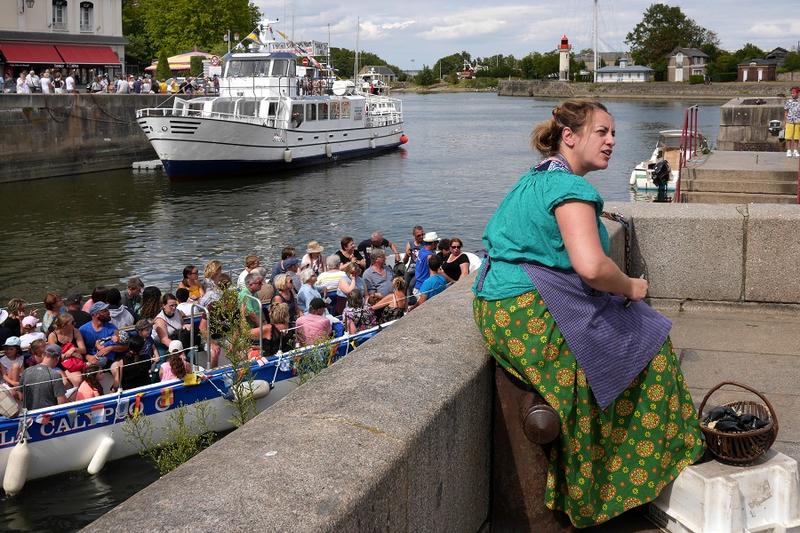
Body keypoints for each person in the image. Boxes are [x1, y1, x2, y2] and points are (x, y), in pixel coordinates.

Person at [472, 99, 704, 527]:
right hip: (530, 311)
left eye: (613, 132)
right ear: (570, 137)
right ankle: (620, 482)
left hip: (499, 305)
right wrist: (633, 286)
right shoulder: (572, 190)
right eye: (602, 132)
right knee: (648, 346)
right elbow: (594, 268)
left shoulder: (537, 178)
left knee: (630, 336)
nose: (612, 141)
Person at [79, 302, 126, 390]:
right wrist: (87, 356)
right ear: (96, 314)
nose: (108, 312)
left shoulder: (112, 328)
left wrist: (111, 348)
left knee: (118, 365)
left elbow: (124, 347)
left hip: (109, 361)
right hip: (92, 362)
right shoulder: (83, 330)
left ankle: (116, 390)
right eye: (104, 311)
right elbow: (79, 349)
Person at [20, 344, 67, 409]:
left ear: (43, 355)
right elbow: (62, 402)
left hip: (29, 416)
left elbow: (21, 396)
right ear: (57, 358)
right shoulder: (55, 375)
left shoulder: (26, 371)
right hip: (49, 416)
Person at [784, 86, 800, 158]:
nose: (792, 94)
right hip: (789, 121)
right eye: (791, 93)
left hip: (798, 121)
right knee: (788, 137)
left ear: (797, 93)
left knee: (797, 137)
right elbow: (786, 112)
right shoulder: (788, 101)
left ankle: (795, 150)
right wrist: (785, 121)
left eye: (793, 93)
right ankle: (789, 150)